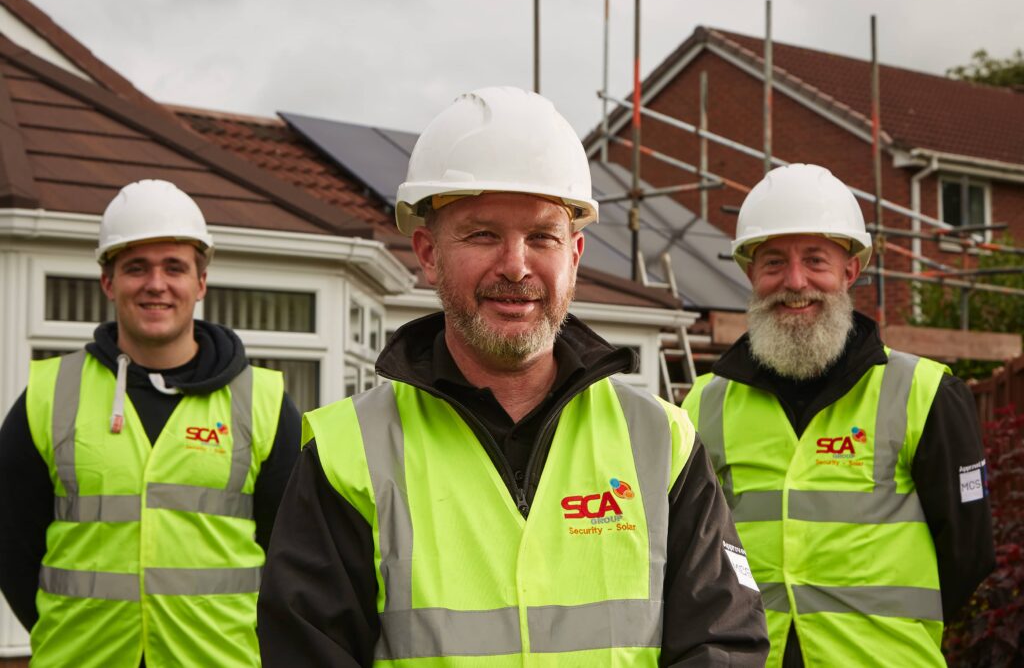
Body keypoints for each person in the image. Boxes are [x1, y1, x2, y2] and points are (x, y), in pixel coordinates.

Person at [257, 86, 769, 667]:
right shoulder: (346, 456)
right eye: (483, 234)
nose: (516, 265)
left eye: (542, 237)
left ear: (574, 256)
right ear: (428, 253)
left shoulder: (661, 443)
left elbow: (723, 646)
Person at [681, 163, 995, 667]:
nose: (795, 282)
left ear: (850, 270)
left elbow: (968, 554)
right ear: (750, 274)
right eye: (774, 262)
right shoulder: (703, 404)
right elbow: (688, 557)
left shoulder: (926, 394)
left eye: (815, 260)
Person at [0, 179, 301, 667]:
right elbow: (11, 545)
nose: (155, 284)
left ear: (200, 283)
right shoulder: (50, 394)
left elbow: (295, 558)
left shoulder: (262, 401)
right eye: (135, 267)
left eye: (174, 268)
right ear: (108, 281)